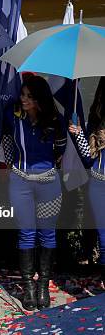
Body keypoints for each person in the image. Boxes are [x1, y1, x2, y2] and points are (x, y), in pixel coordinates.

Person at [1, 75, 66, 311]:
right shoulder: (13, 115)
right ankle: (28, 287)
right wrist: (11, 169)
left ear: (41, 99)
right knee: (26, 234)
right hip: (20, 182)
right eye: (23, 95)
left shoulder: (56, 120)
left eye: (30, 96)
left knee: (47, 235)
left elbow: (60, 151)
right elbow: (7, 142)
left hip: (48, 182)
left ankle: (43, 286)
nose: (24, 99)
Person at [69, 77, 105, 292]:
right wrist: (78, 134)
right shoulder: (98, 123)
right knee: (104, 238)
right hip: (99, 184)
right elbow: (87, 159)